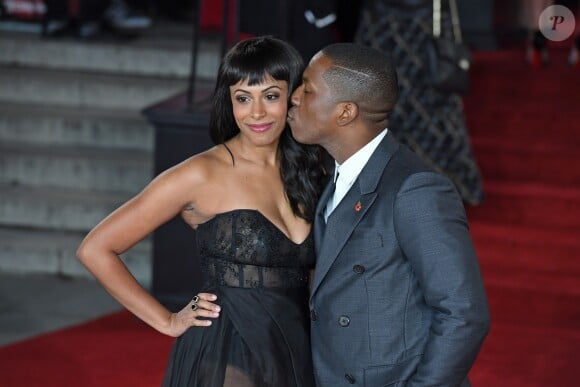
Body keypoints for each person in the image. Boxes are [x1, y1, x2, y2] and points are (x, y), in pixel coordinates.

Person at [76, 36, 325, 386]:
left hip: (295, 345)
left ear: (293, 96)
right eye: (243, 98)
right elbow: (96, 248)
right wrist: (167, 321)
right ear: (230, 102)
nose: (256, 113)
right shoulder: (201, 173)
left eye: (270, 96)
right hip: (228, 349)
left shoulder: (312, 170)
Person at [287, 42, 490, 386]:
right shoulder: (334, 175)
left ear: (345, 112)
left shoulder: (416, 189)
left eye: (307, 89)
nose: (293, 97)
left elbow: (464, 313)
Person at [354, 0, 485, 205]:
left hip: (419, 25)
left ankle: (423, 184)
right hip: (389, 23)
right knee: (393, 101)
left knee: (428, 101)